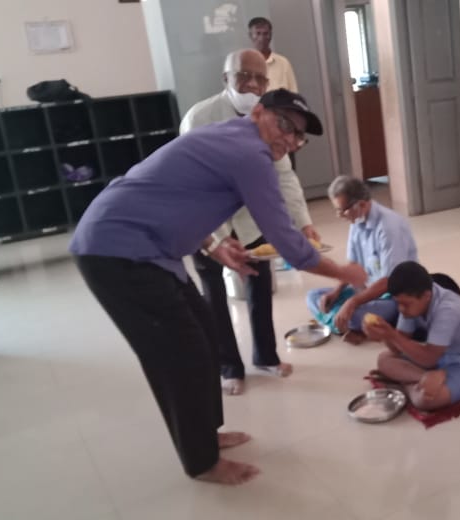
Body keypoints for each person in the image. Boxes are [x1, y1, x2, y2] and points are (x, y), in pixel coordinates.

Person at [69, 89, 368, 486]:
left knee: (204, 338)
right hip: (117, 252)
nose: (289, 139)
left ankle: (205, 436)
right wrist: (345, 273)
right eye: (283, 125)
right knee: (180, 356)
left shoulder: (235, 139)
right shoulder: (250, 154)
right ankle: (201, 461)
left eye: (298, 136)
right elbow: (289, 244)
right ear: (258, 112)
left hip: (149, 251)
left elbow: (178, 194)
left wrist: (212, 244)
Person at [180, 49, 319, 396]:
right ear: (226, 79)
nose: (252, 84)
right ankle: (229, 366)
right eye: (243, 76)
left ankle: (266, 357)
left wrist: (303, 224)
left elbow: (284, 175)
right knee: (215, 294)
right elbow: (190, 184)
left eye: (260, 78)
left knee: (260, 286)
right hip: (206, 225)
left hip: (252, 221)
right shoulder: (200, 117)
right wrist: (219, 238)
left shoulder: (272, 118)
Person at [363, 261, 460, 410]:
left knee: (424, 400)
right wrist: (384, 335)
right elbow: (397, 350)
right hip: (442, 356)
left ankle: (408, 380)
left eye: (405, 304)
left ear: (426, 296)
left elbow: (429, 358)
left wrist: (391, 334)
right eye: (398, 303)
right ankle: (423, 378)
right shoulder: (411, 302)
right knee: (384, 359)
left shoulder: (448, 309)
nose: (401, 309)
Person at [305, 176, 417, 344]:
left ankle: (344, 324)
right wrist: (336, 292)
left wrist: (352, 302)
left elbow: (389, 281)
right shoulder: (356, 221)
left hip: (392, 297)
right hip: (366, 291)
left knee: (354, 316)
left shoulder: (389, 227)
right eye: (337, 210)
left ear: (362, 204)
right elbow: (353, 266)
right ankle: (346, 325)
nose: (340, 215)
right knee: (313, 296)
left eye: (342, 210)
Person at [248, 17, 298, 93]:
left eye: (265, 34)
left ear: (270, 35)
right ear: (251, 36)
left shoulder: (283, 63)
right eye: (258, 33)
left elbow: (294, 93)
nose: (262, 38)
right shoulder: (245, 65)